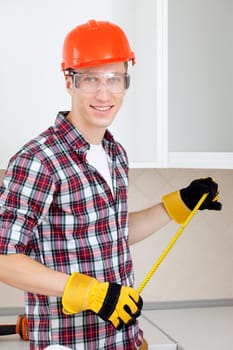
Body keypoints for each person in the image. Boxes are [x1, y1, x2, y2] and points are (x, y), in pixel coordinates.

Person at [0, 20, 222, 350]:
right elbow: (5, 259)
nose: (104, 94)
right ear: (69, 81)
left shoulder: (115, 153)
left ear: (125, 82)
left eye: (114, 79)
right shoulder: (39, 159)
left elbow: (109, 232)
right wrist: (90, 292)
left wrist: (180, 203)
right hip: (69, 344)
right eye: (90, 79)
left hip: (123, 340)